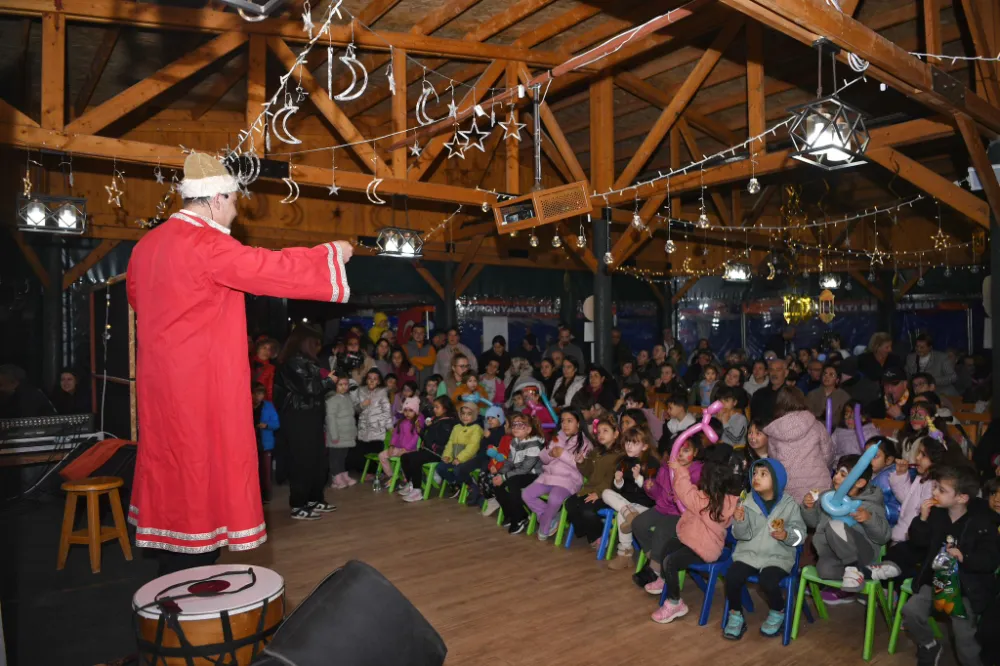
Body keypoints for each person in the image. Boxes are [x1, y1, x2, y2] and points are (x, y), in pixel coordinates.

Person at [900, 464, 998, 666]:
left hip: (965, 588)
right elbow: (917, 542)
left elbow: (990, 560)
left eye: (941, 490)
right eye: (935, 487)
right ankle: (929, 645)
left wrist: (964, 557)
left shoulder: (982, 522)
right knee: (911, 611)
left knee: (964, 636)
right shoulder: (937, 514)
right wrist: (922, 519)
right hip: (935, 581)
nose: (935, 492)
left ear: (961, 498)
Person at [724, 459, 806, 640]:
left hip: (778, 556)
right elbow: (740, 535)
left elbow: (801, 536)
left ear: (776, 480)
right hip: (749, 554)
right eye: (754, 473)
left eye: (763, 474)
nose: (756, 478)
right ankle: (735, 614)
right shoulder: (746, 501)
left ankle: (778, 610)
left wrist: (787, 535)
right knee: (732, 577)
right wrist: (739, 520)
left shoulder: (790, 505)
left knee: (768, 581)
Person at [650, 460, 740, 624]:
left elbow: (684, 490)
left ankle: (675, 603)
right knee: (669, 546)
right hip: (697, 542)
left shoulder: (702, 501)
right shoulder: (728, 502)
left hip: (703, 549)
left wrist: (681, 470)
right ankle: (665, 579)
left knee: (671, 561)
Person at [802, 454, 891, 600]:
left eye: (843, 475)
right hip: (834, 555)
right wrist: (809, 508)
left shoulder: (869, 504)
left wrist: (869, 519)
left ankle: (854, 568)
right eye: (836, 472)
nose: (836, 477)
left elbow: (884, 536)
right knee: (823, 570)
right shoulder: (828, 498)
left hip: (862, 553)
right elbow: (812, 523)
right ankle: (866, 572)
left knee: (835, 525)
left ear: (860, 482)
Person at [276, 325, 338, 521]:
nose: (318, 347)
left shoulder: (307, 362)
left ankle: (314, 498)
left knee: (317, 459)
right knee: (302, 460)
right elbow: (309, 388)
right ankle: (298, 504)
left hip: (311, 415)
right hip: (298, 417)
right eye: (315, 343)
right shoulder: (292, 362)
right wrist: (329, 381)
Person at [633, 435, 705, 591]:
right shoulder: (666, 468)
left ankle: (654, 570)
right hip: (662, 508)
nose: (680, 454)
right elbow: (659, 494)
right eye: (677, 450)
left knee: (662, 530)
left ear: (696, 452)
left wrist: (679, 474)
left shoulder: (697, 471)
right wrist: (651, 487)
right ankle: (655, 560)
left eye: (686, 450)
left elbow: (694, 496)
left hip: (682, 514)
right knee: (638, 523)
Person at [521, 409, 592, 538]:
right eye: (563, 421)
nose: (565, 424)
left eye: (569, 421)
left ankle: (545, 524)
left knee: (554, 498)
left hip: (568, 481)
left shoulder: (586, 444)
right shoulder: (557, 437)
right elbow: (543, 458)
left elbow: (582, 467)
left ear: (578, 423)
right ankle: (550, 518)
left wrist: (562, 454)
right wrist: (550, 453)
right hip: (548, 477)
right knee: (526, 494)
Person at [762, 387, 834, 503]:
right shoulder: (816, 425)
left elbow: (775, 464)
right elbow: (828, 454)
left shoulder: (774, 432)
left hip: (789, 488)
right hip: (818, 486)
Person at [603, 427, 661, 570]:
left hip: (645, 505)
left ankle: (625, 554)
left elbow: (654, 491)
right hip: (627, 503)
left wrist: (639, 478)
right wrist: (618, 481)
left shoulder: (652, 463)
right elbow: (616, 489)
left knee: (622, 514)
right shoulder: (623, 461)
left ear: (645, 446)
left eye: (634, 443)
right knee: (606, 493)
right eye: (627, 442)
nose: (629, 446)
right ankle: (630, 515)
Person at [564, 415, 621, 547]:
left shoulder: (619, 456)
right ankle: (590, 532)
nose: (601, 434)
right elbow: (589, 473)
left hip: (608, 493)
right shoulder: (596, 452)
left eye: (605, 431)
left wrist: (599, 493)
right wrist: (582, 462)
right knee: (570, 504)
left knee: (587, 510)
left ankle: (598, 535)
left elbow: (612, 479)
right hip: (590, 490)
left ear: (616, 434)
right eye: (599, 432)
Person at [491, 412, 545, 529]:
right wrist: (500, 474)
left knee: (512, 482)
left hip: (535, 476)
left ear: (528, 430)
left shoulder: (534, 445)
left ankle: (519, 517)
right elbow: (509, 462)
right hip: (519, 473)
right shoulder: (514, 441)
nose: (515, 428)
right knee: (497, 482)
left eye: (520, 425)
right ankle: (510, 514)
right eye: (514, 425)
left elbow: (525, 469)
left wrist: (504, 477)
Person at [399, 396, 458, 502]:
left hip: (438, 453)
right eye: (434, 407)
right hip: (429, 450)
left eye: (437, 407)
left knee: (414, 459)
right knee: (404, 457)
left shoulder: (448, 423)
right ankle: (411, 483)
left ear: (445, 408)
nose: (434, 409)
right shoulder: (436, 419)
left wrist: (427, 431)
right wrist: (421, 432)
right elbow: (429, 438)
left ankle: (417, 491)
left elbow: (440, 441)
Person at [434, 402, 484, 496]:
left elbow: (472, 447)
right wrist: (447, 456)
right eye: (463, 413)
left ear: (474, 415)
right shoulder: (456, 427)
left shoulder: (476, 429)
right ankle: (455, 483)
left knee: (458, 470)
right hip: (454, 458)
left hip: (469, 459)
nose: (465, 416)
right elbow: (450, 443)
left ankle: (471, 484)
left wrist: (460, 458)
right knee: (440, 468)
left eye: (469, 414)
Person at [350, 369, 392, 476]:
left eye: (375, 379)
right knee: (361, 451)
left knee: (376, 450)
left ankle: (376, 472)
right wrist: (362, 405)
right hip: (363, 428)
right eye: (369, 378)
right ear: (366, 380)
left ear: (379, 381)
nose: (372, 381)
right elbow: (355, 410)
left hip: (377, 429)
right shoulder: (361, 391)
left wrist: (389, 427)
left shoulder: (383, 393)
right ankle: (366, 471)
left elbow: (387, 411)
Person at [325, 375, 357, 489]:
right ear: (335, 386)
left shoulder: (347, 398)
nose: (344, 387)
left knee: (343, 456)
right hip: (337, 434)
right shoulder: (332, 400)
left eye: (346, 384)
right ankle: (336, 477)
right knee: (335, 457)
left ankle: (343, 474)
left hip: (346, 434)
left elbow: (351, 416)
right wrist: (334, 435)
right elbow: (330, 419)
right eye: (340, 384)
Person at [378, 397, 421, 481]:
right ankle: (392, 476)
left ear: (415, 412)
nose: (407, 413)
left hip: (411, 450)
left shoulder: (417, 424)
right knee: (381, 455)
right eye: (405, 410)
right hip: (398, 448)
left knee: (404, 459)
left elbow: (416, 438)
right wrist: (391, 446)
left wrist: (406, 449)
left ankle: (407, 479)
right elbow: (395, 435)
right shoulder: (401, 422)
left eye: (410, 410)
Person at [252, 383, 279, 504]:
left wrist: (266, 425)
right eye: (257, 393)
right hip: (251, 443)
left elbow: (276, 423)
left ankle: (265, 495)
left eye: (261, 393)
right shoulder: (246, 405)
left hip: (265, 443)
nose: (259, 396)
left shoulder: (268, 406)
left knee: (265, 471)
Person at [865, 436, 901, 526]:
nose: (868, 460)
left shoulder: (886, 479)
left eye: (875, 456)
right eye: (866, 455)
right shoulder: (878, 472)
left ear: (888, 460)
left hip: (888, 524)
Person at [806, 363, 850, 429]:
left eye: (831, 375)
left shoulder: (844, 397)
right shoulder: (812, 394)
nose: (826, 376)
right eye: (825, 374)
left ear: (837, 380)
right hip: (813, 428)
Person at [749, 358, 787, 424]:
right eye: (771, 370)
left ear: (786, 373)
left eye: (778, 370)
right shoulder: (758, 394)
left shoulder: (792, 395)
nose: (774, 373)